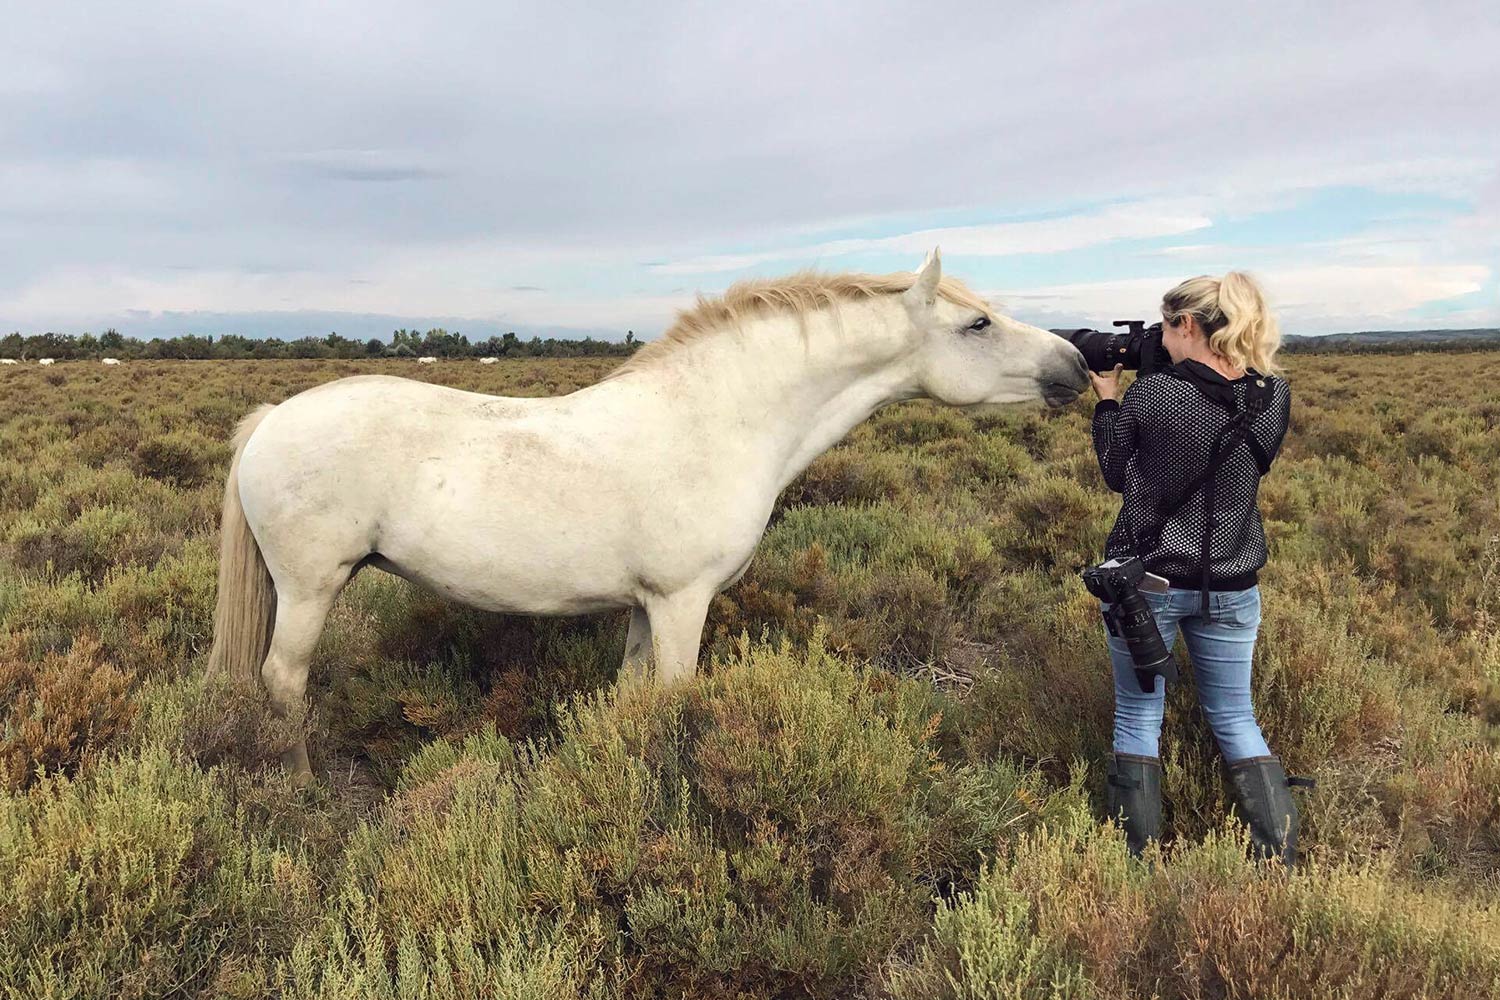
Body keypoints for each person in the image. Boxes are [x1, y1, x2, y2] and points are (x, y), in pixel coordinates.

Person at [1087, 271, 1305, 864]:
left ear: (1186, 326)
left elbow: (1114, 471)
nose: (1158, 338)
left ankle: (1135, 862)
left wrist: (1108, 399)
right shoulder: (1271, 395)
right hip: (1233, 584)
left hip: (1146, 583)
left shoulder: (1154, 394)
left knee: (1138, 715)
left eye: (1164, 326)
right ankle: (1279, 857)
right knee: (1236, 716)